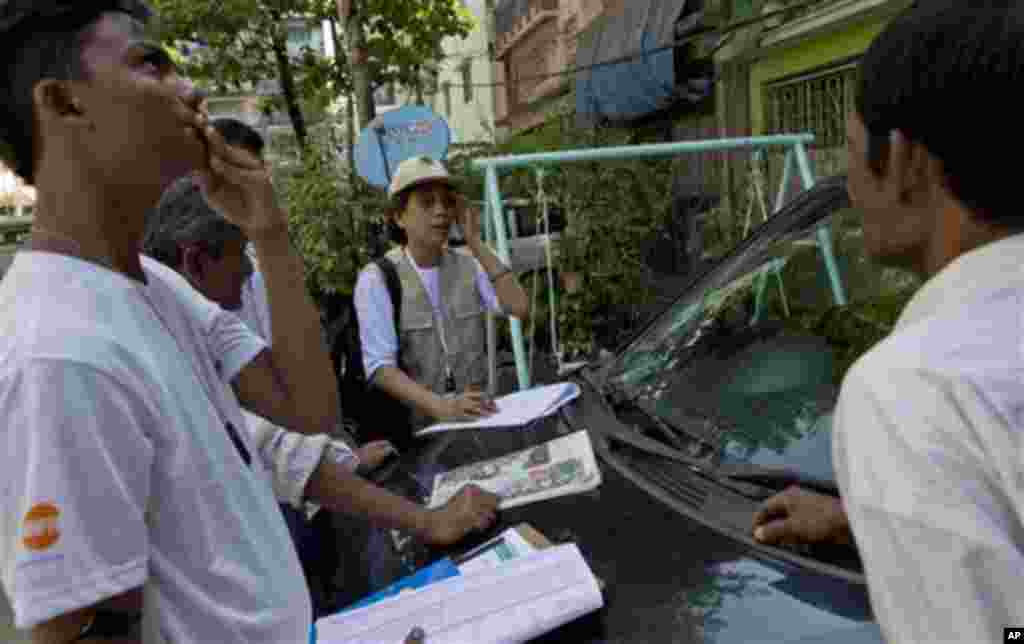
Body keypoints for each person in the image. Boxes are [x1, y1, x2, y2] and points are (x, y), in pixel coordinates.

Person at [0, 4, 495, 643]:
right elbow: (79, 630)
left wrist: (268, 229)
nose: (190, 89)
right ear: (64, 105)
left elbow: (308, 416)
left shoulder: (157, 288)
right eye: (150, 63)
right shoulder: (58, 353)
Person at [142, 167, 497, 615]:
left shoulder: (195, 308)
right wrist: (427, 521)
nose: (252, 268)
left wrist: (271, 236)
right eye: (240, 253)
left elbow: (307, 418)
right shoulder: (146, 332)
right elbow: (275, 447)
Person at [818, 3, 1024, 642]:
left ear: (905, 161)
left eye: (850, 152)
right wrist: (880, 512)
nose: (851, 191)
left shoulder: (912, 392)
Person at [354, 157, 530, 441]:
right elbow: (379, 368)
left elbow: (519, 307)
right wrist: (442, 408)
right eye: (427, 203)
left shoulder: (470, 264)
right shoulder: (377, 278)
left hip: (477, 424)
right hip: (418, 435)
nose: (441, 212)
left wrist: (475, 241)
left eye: (447, 203)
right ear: (399, 217)